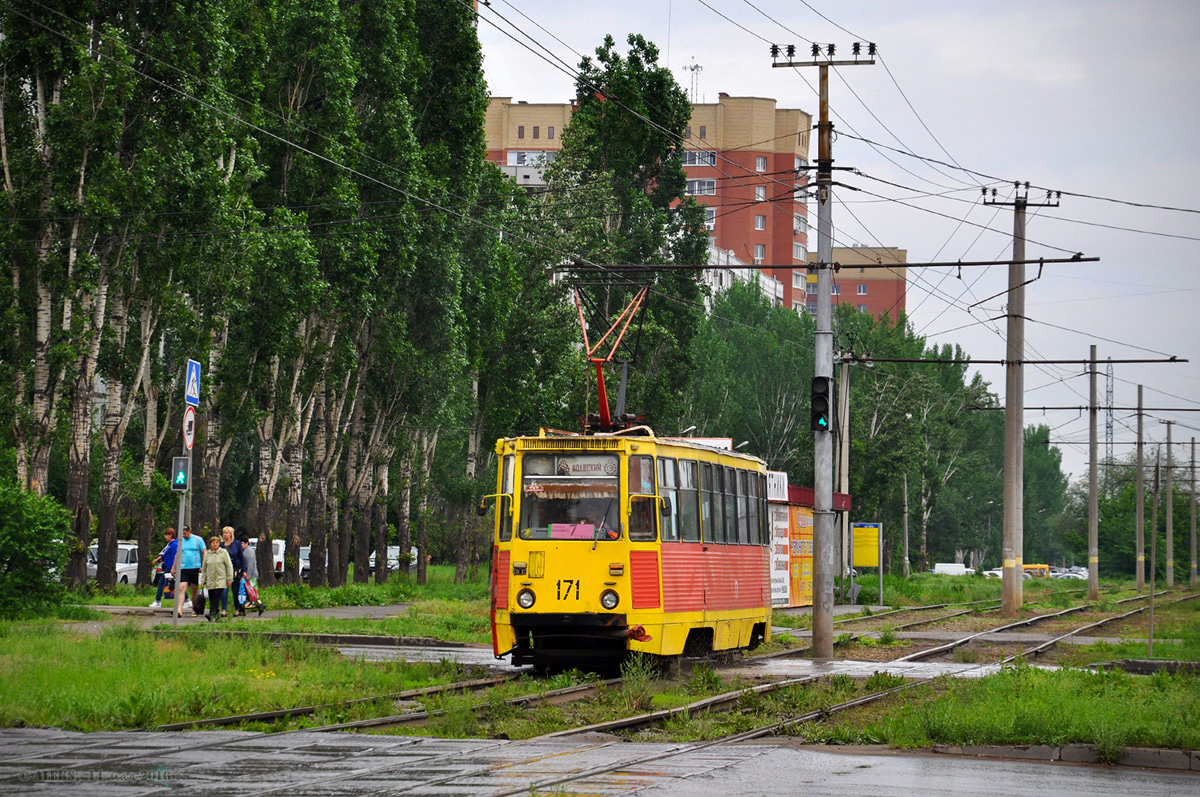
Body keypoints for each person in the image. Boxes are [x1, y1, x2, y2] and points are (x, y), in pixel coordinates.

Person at [200, 535, 233, 622]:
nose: (215, 544)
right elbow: (204, 569)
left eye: (217, 542)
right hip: (211, 580)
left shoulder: (223, 552)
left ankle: (211, 614)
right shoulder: (207, 554)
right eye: (213, 543)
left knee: (216, 597)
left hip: (221, 580)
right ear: (210, 544)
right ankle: (216, 615)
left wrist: (230, 579)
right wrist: (203, 581)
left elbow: (229, 566)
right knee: (212, 598)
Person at [175, 526, 206, 618]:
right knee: (181, 587)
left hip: (195, 567)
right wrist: (174, 566)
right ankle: (179, 609)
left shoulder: (198, 539)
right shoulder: (180, 541)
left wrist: (204, 566)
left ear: (190, 532)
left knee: (194, 589)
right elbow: (178, 554)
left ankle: (194, 608)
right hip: (183, 567)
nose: (183, 535)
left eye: (185, 533)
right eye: (182, 533)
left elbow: (204, 551)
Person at [149, 528, 177, 608]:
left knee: (161, 582)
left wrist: (173, 567)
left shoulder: (174, 544)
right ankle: (186, 600)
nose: (165, 537)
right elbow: (165, 554)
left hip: (171, 566)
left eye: (166, 535)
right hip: (168, 565)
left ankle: (158, 601)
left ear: (171, 535)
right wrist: (158, 559)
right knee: (176, 584)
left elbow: (176, 556)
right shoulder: (170, 544)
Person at [220, 526, 245, 617]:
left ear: (231, 534)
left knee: (235, 590)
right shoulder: (221, 545)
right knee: (224, 590)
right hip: (224, 570)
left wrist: (244, 570)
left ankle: (237, 608)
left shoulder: (237, 544)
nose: (225, 535)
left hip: (235, 570)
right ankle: (224, 609)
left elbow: (241, 557)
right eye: (223, 533)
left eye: (227, 533)